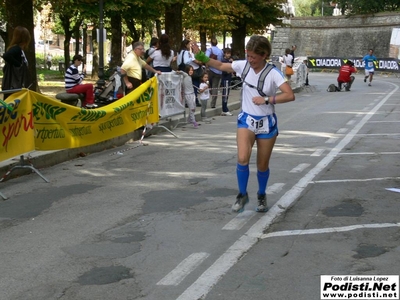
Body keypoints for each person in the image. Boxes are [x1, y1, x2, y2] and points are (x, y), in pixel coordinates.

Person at [191, 35, 295, 213]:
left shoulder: (273, 73)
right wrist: (201, 57)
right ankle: (242, 194)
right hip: (246, 119)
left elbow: (289, 95)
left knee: (262, 165)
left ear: (264, 55)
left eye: (254, 57)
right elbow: (221, 66)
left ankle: (261, 194)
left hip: (266, 123)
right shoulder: (243, 66)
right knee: (242, 158)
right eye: (248, 56)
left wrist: (267, 99)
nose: (250, 60)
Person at [1, 26, 31, 99]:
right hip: (14, 86)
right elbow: (6, 56)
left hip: (17, 85)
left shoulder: (20, 50)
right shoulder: (16, 49)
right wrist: (18, 65)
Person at [178, 39, 203, 107]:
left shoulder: (180, 52)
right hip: (190, 70)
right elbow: (186, 61)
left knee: (186, 87)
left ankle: (187, 101)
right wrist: (192, 59)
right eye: (189, 44)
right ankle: (193, 101)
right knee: (194, 86)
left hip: (182, 70)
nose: (190, 46)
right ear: (186, 45)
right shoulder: (186, 52)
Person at [205, 37, 224, 109]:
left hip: (210, 70)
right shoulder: (220, 51)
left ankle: (211, 93)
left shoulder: (209, 50)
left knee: (209, 84)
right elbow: (222, 60)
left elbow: (206, 58)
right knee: (215, 87)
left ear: (211, 43)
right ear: (217, 43)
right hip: (218, 71)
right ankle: (213, 103)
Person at [221, 48, 234, 116]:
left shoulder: (229, 61)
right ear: (224, 54)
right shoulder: (224, 61)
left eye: (229, 53)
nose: (229, 55)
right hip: (225, 78)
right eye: (227, 53)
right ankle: (224, 109)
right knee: (225, 94)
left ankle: (225, 108)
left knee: (226, 94)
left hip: (228, 78)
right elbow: (226, 71)